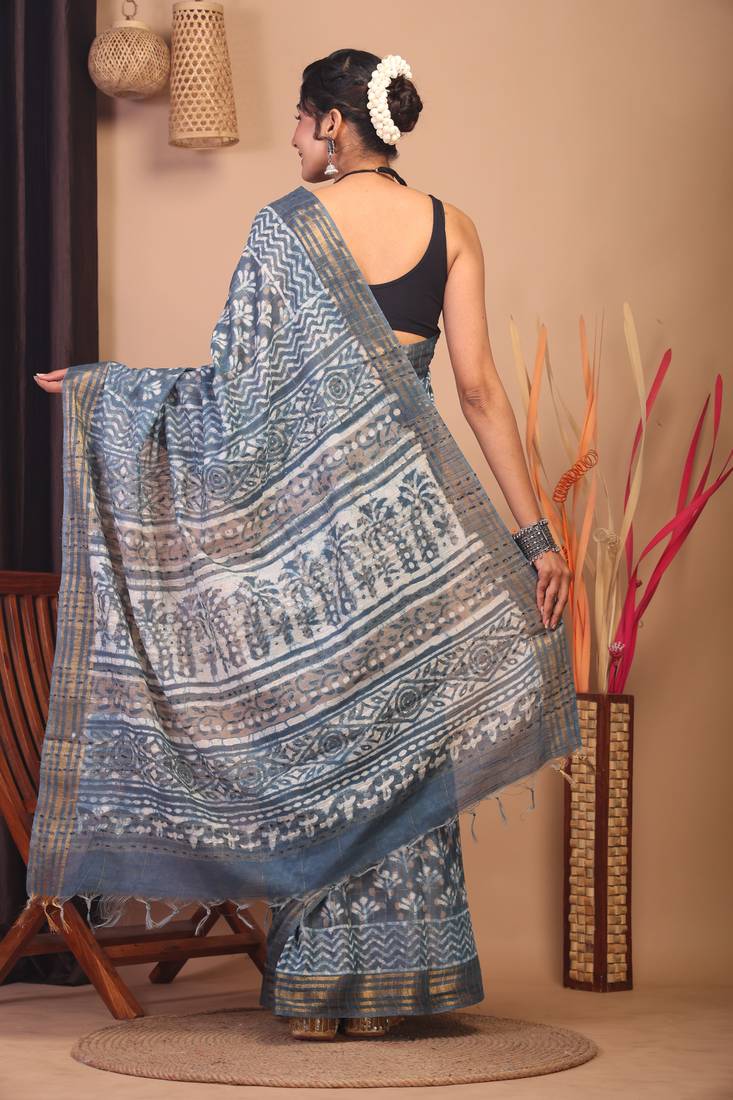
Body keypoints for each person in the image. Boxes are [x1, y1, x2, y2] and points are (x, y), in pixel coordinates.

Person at [32, 50, 579, 1042]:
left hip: (313, 552)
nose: (290, 139)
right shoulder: (452, 227)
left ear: (331, 123)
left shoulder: (285, 228)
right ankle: (395, 990)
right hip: (411, 544)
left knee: (322, 752)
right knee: (404, 750)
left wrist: (106, 392)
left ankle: (322, 1000)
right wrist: (534, 536)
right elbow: (480, 392)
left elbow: (231, 402)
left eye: (297, 120)